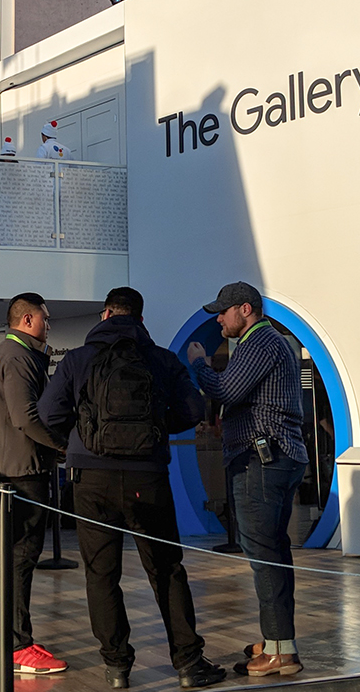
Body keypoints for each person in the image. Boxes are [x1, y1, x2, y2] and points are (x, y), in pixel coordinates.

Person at [40, 287, 224, 690]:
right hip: (148, 478)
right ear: (140, 319)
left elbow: (48, 413)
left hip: (91, 479)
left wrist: (77, 441)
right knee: (166, 571)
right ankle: (189, 664)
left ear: (105, 315)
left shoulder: (77, 360)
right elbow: (193, 411)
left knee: (101, 575)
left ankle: (117, 667)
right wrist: (156, 431)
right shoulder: (161, 359)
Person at [186, 282, 306, 678]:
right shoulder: (269, 342)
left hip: (261, 459)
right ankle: (277, 641)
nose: (218, 319)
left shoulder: (259, 343)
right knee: (273, 552)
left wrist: (200, 363)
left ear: (245, 310)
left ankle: (280, 654)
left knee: (264, 557)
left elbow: (223, 389)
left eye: (223, 312)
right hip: (275, 457)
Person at [0, 293, 69, 675]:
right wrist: (62, 447)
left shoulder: (7, 353)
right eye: (46, 319)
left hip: (10, 469)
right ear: (29, 319)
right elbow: (25, 416)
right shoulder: (18, 357)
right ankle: (17, 645)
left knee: (3, 556)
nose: (49, 325)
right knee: (20, 558)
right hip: (22, 471)